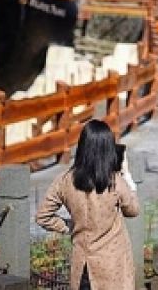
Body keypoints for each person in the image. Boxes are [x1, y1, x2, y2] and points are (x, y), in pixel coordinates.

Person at [36, 120, 139, 290]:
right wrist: (127, 176)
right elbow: (133, 210)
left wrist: (69, 226)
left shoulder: (65, 180)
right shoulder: (114, 182)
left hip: (82, 265)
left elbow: (42, 216)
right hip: (113, 267)